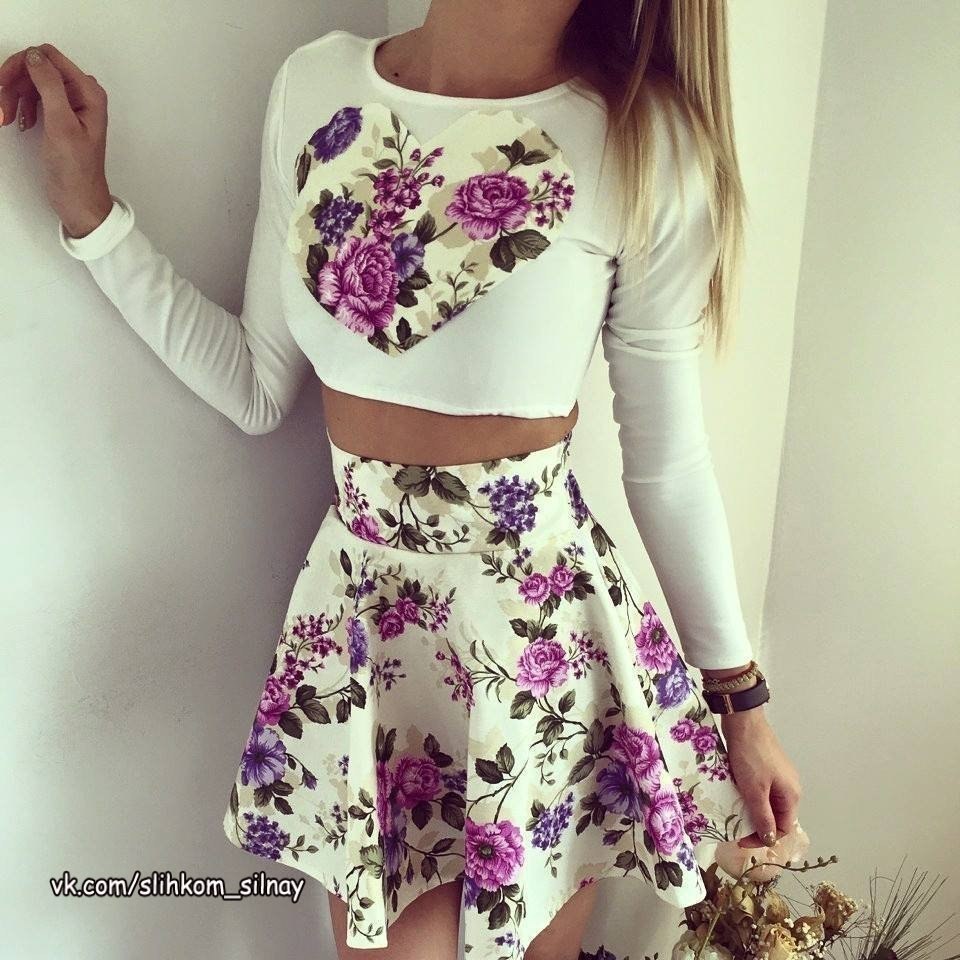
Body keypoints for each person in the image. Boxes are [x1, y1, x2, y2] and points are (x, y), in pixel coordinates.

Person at [1, 3, 803, 958]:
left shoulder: (644, 141)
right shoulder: (316, 85)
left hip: (539, 642)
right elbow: (256, 386)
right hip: (366, 625)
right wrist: (92, 215)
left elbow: (667, 458)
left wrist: (742, 703)